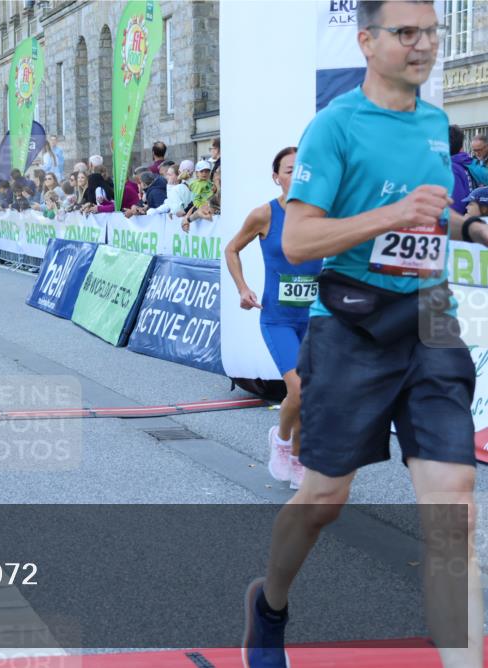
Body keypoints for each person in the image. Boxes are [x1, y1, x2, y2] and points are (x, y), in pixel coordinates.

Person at [243, 3, 485, 666]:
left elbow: (432, 217)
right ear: (367, 42)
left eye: (432, 31)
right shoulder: (333, 127)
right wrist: (389, 216)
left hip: (431, 316)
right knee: (323, 499)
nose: (425, 45)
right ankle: (270, 607)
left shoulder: (438, 124)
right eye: (406, 33)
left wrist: (469, 227)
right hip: (352, 322)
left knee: (452, 510)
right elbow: (296, 240)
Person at [225, 148, 320, 491]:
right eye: (291, 170)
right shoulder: (264, 214)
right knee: (300, 388)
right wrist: (243, 288)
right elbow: (232, 248)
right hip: (278, 320)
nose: (299, 176)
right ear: (277, 176)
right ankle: (287, 445)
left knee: (304, 394)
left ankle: (290, 448)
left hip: (317, 320)